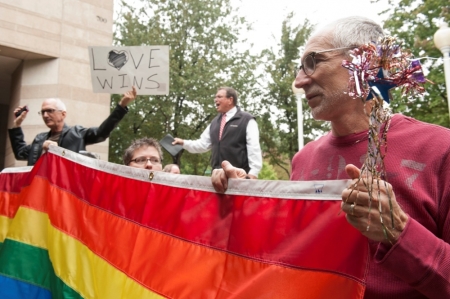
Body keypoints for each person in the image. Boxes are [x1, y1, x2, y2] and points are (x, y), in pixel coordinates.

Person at [211, 16, 450, 298]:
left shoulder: (440, 148)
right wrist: (243, 199)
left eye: (313, 62)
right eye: (300, 68)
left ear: (366, 60)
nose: (299, 81)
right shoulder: (303, 159)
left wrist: (399, 232)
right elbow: (287, 256)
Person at [8, 87, 138, 166]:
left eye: (50, 111)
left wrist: (121, 107)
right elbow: (20, 153)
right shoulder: (39, 139)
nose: (45, 115)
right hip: (37, 193)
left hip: (65, 193)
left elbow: (101, 133)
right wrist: (17, 125)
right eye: (43, 112)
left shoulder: (77, 133)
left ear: (63, 114)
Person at [172, 87, 262, 178]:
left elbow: (253, 148)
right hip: (217, 178)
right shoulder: (214, 122)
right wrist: (183, 143)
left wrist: (253, 174)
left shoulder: (247, 120)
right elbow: (203, 144)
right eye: (215, 97)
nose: (216, 100)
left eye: (219, 97)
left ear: (230, 100)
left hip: (239, 177)